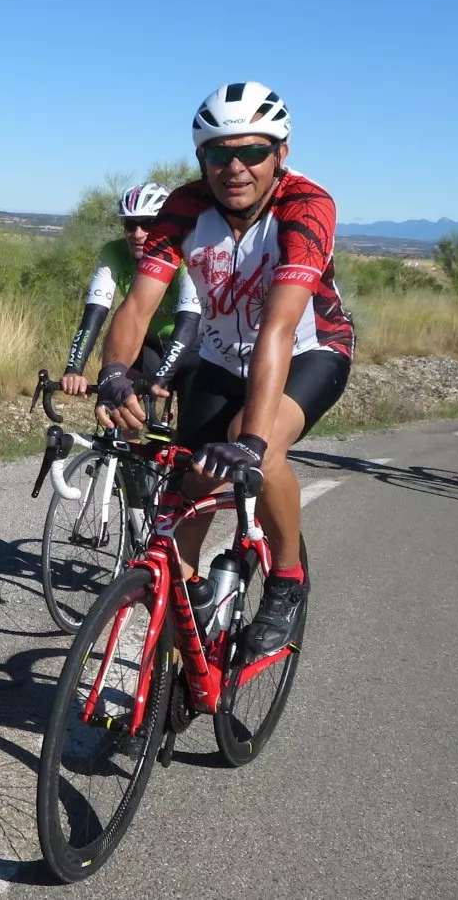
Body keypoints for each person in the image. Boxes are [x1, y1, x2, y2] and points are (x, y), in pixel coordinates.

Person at [93, 82, 355, 660]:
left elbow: (280, 328)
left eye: (252, 152)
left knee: (253, 444)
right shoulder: (184, 208)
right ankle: (177, 634)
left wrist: (255, 439)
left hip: (310, 350)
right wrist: (113, 371)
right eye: (218, 154)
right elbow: (137, 306)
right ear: (200, 159)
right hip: (219, 356)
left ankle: (287, 581)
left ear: (280, 154)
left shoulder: (306, 206)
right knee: (190, 488)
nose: (234, 167)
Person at [59, 183, 204, 412]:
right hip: (150, 344)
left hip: (194, 346)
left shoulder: (186, 255)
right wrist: (74, 369)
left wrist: (161, 378)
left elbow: (189, 322)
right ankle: (126, 444)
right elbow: (94, 314)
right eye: (130, 224)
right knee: (120, 402)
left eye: (148, 224)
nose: (138, 234)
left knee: (192, 434)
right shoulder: (114, 251)